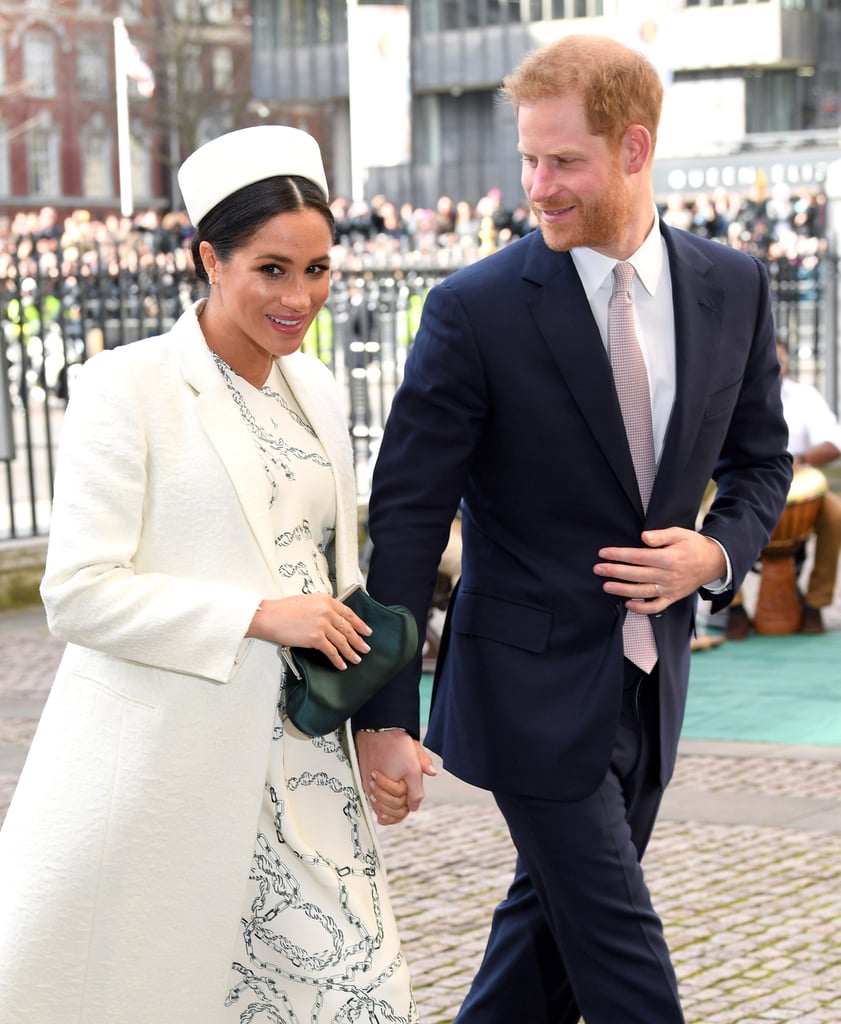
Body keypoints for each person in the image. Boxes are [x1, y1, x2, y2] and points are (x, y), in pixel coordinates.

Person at [353, 34, 792, 1024]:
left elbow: (762, 461)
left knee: (539, 948)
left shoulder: (733, 285)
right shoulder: (473, 309)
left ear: (633, 151)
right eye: (528, 159)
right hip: (524, 683)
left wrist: (715, 551)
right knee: (618, 948)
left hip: (651, 677)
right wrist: (386, 713)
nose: (535, 187)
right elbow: (411, 510)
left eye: (563, 162)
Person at [0, 125, 427, 1024]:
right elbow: (77, 592)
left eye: (316, 270)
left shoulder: (315, 388)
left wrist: (381, 727)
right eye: (271, 269)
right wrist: (260, 615)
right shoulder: (127, 387)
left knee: (363, 994)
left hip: (304, 762)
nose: (298, 297)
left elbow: (332, 578)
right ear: (208, 258)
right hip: (174, 764)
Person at [726, 339, 841, 638]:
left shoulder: (805, 396)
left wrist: (799, 460)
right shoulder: (732, 392)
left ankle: (816, 603)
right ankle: (733, 607)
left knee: (836, 513)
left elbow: (834, 443)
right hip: (741, 485)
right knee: (709, 515)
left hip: (801, 488)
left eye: (780, 355)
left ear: (787, 360)